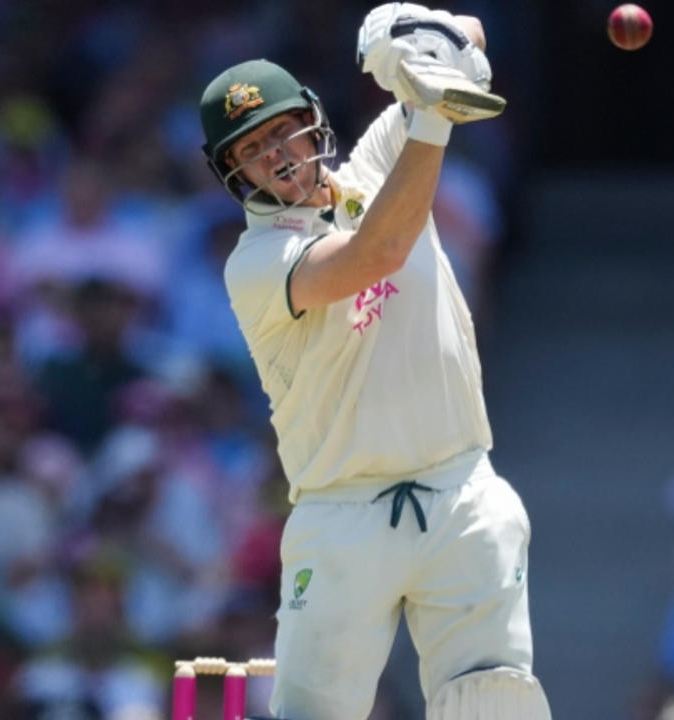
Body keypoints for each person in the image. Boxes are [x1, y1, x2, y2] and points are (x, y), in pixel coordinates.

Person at [196, 4, 548, 720]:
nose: (278, 154)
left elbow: (471, 33)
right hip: (343, 517)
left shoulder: (382, 156)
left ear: (313, 118)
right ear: (230, 172)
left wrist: (408, 41)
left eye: (282, 130)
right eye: (251, 149)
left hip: (462, 493)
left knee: (495, 701)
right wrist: (433, 111)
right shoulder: (258, 262)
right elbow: (375, 253)